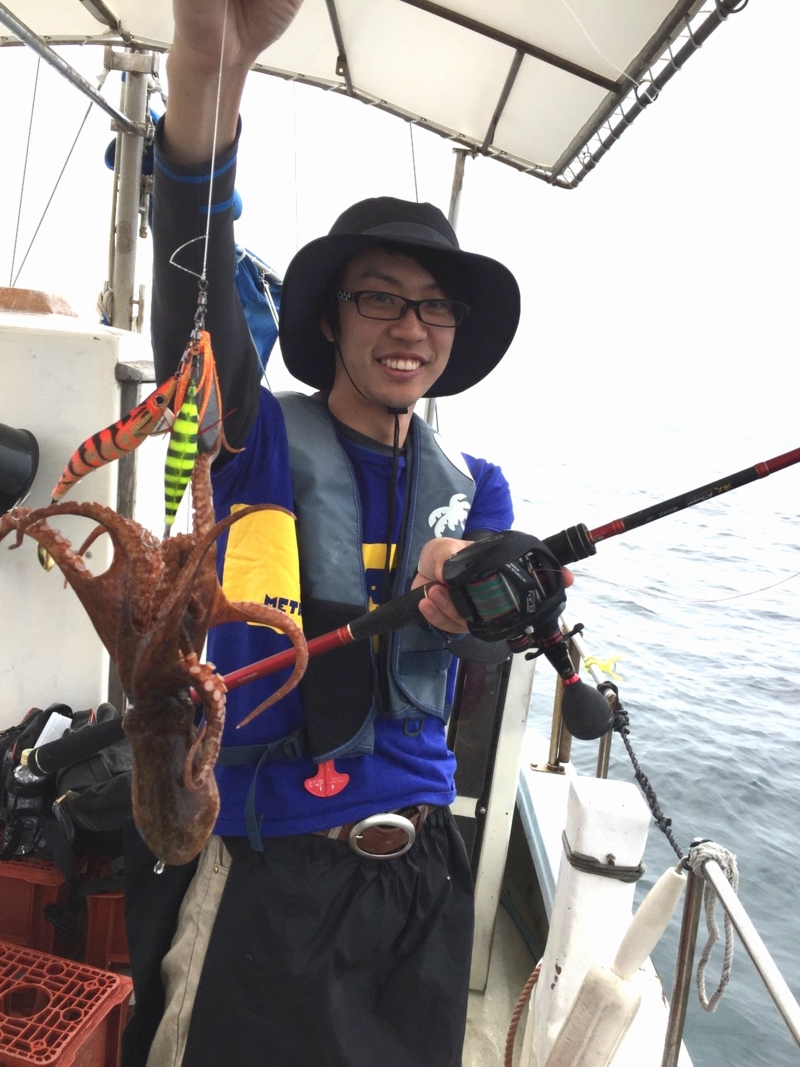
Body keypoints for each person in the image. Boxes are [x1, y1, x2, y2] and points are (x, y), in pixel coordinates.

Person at [122, 2, 544, 1065]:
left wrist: (480, 589)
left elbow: (486, 647)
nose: (408, 328)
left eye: (433, 308)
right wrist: (208, 74)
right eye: (380, 299)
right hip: (266, 863)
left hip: (417, 882)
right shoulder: (255, 439)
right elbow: (195, 324)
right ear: (331, 319)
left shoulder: (476, 485)